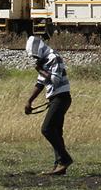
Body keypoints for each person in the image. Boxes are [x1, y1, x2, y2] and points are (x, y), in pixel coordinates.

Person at [24, 36, 73, 175]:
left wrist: (40, 70)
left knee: (47, 129)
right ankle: (59, 167)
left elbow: (55, 80)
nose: (34, 57)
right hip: (55, 99)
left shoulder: (54, 57)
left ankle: (64, 159)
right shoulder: (43, 59)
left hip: (61, 98)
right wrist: (29, 101)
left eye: (34, 54)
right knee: (57, 132)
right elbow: (41, 83)